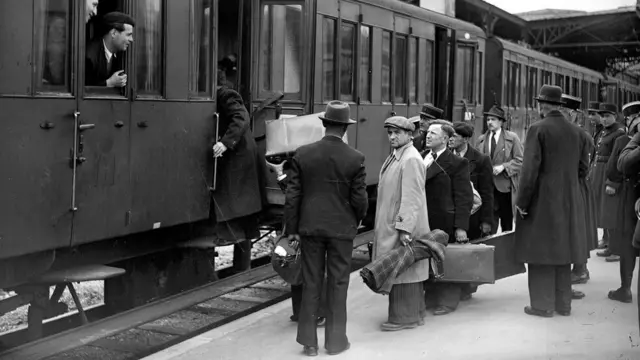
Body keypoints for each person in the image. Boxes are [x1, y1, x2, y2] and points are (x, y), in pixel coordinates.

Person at [284, 101, 368, 356]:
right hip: (341, 231)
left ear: (324, 124)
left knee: (311, 282)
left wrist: (293, 229)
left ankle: (309, 343)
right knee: (338, 283)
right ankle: (335, 342)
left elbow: (292, 196)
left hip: (310, 229)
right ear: (344, 128)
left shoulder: (302, 154)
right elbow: (360, 200)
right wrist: (355, 219)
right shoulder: (355, 158)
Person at [515, 85, 588, 317]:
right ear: (560, 105)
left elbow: (529, 172)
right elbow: (583, 169)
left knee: (540, 253)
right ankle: (563, 304)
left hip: (543, 202)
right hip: (570, 201)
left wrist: (522, 203)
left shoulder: (538, 129)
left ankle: (542, 305)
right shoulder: (577, 132)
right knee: (563, 251)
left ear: (541, 105)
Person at [373, 116, 430, 331]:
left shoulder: (411, 159)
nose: (392, 136)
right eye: (389, 133)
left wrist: (405, 228)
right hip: (394, 223)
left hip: (402, 227)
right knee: (404, 271)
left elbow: (411, 197)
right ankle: (414, 314)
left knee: (404, 271)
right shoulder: (400, 155)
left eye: (397, 132)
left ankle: (404, 318)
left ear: (410, 135)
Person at [211, 86, 268, 274]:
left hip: (239, 156)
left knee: (241, 207)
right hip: (238, 155)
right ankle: (242, 268)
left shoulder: (226, 94)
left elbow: (242, 117)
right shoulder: (222, 94)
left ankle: (242, 268)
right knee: (243, 211)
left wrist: (225, 142)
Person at [421, 119, 473, 315]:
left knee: (446, 260)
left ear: (445, 139)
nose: (428, 135)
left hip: (445, 221)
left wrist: (461, 227)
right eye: (428, 133)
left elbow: (464, 197)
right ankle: (431, 298)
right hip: (425, 219)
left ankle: (448, 301)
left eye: (433, 133)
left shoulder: (457, 163)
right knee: (428, 258)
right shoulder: (422, 157)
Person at [559, 94, 597, 300]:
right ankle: (579, 268)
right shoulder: (574, 133)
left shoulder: (581, 136)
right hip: (574, 185)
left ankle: (580, 269)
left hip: (578, 186)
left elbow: (583, 168)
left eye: (565, 112)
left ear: (573, 114)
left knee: (577, 227)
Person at [605, 101, 640, 303]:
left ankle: (625, 288)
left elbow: (612, 170)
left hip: (630, 201)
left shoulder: (624, 141)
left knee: (628, 245)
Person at [475, 105, 523, 234]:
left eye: (493, 119)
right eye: (488, 120)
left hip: (504, 187)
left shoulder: (512, 138)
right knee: (489, 221)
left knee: (507, 221)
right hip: (487, 187)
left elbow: (520, 160)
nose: (489, 122)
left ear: (501, 122)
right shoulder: (481, 140)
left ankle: (506, 248)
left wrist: (504, 167)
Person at [591, 103, 626, 262]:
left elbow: (618, 159)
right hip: (600, 173)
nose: (604, 119)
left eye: (607, 116)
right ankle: (609, 244)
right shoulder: (605, 131)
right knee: (604, 210)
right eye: (602, 116)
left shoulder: (619, 133)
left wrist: (613, 182)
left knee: (612, 212)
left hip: (609, 174)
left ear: (615, 116)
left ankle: (617, 248)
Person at [450, 122, 494, 240]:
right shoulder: (446, 156)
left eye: (454, 136)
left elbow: (487, 193)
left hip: (472, 218)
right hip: (450, 217)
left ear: (465, 139)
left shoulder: (481, 160)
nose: (450, 139)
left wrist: (486, 221)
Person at [85, 12, 134, 87]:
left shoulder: (122, 55)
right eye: (128, 35)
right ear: (114, 33)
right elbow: (84, 90)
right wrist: (109, 83)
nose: (131, 39)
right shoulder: (89, 56)